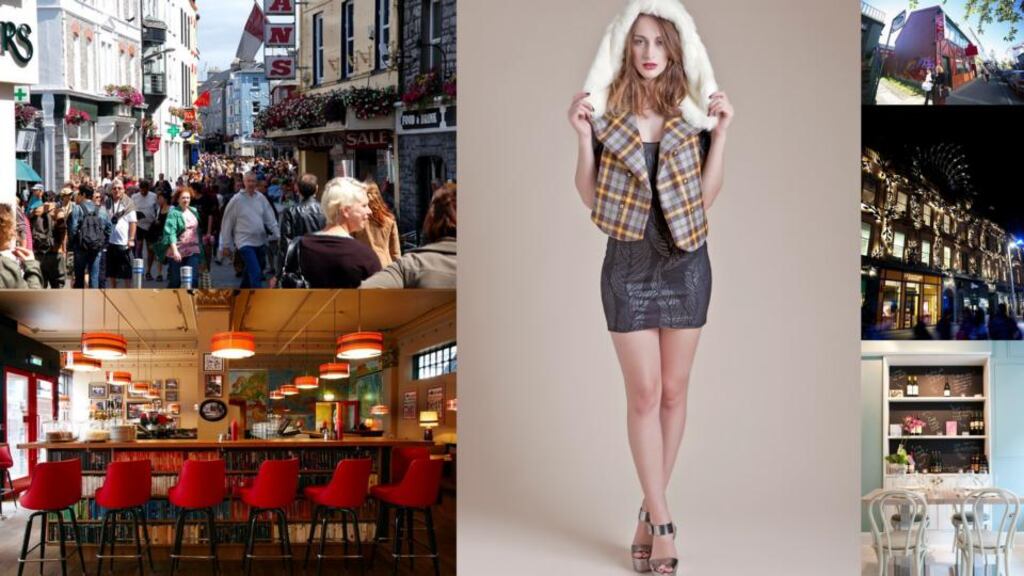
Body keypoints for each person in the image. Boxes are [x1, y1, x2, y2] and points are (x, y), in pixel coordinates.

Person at [566, 3, 733, 574]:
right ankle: (664, 522)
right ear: (624, 49)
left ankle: (646, 511)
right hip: (629, 265)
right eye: (638, 41)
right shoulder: (608, 117)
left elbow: (706, 198)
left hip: (686, 263)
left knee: (674, 392)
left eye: (659, 41)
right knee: (643, 393)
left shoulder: (693, 120)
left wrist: (724, 133)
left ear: (676, 49)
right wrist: (582, 138)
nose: (648, 52)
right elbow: (589, 197)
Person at [281, 177, 380, 288]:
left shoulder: (299, 246)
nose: (369, 211)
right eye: (364, 205)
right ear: (346, 211)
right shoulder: (364, 256)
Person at [362, 183, 455, 288]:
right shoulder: (389, 220)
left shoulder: (360, 222)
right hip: (385, 264)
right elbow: (395, 251)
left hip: (366, 267)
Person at [219, 171, 280, 288]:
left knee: (254, 269)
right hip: (244, 242)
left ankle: (242, 292)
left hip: (260, 240)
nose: (251, 184)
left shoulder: (261, 198)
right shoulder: (236, 200)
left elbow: (270, 218)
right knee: (256, 273)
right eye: (248, 181)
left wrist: (278, 235)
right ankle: (258, 300)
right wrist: (226, 244)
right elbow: (227, 222)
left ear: (256, 182)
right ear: (244, 182)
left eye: (253, 181)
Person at [277, 173, 326, 280]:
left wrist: (279, 273)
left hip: (299, 263)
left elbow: (285, 243)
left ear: (297, 189)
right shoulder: (325, 210)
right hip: (322, 261)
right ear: (316, 188)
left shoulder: (291, 211)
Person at [156, 187, 204, 289]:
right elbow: (170, 233)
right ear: (178, 199)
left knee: (193, 280)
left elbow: (197, 230)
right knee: (175, 281)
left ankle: (190, 302)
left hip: (193, 249)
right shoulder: (173, 213)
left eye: (188, 198)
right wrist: (175, 251)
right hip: (177, 250)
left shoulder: (194, 211)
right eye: (183, 198)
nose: (186, 200)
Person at [68, 185, 112, 288]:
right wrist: (103, 242)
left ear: (83, 194)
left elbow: (73, 229)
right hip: (96, 247)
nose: (78, 196)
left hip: (80, 247)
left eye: (79, 194)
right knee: (94, 276)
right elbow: (109, 228)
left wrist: (74, 244)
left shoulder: (77, 209)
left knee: (79, 277)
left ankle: (79, 301)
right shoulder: (101, 209)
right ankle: (93, 301)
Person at [353, 183, 401, 268]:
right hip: (386, 267)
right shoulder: (390, 221)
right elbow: (395, 253)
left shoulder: (357, 221)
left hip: (363, 267)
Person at [0, 203, 43, 288]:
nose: (13, 234)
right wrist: (31, 265)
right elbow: (32, 298)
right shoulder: (6, 267)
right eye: (11, 227)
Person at [105, 178, 138, 288]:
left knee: (126, 271)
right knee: (111, 271)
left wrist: (131, 239)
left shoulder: (128, 203)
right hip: (110, 242)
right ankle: (113, 291)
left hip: (123, 243)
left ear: (123, 190)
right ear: (111, 190)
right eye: (114, 188)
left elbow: (133, 222)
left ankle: (127, 292)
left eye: (119, 188)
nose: (117, 190)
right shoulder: (107, 202)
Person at [131, 179, 159, 278]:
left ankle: (148, 271)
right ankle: (140, 268)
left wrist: (157, 219)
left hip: (150, 225)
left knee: (150, 249)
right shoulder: (134, 197)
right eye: (141, 190)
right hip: (139, 225)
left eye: (145, 190)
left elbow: (158, 208)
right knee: (138, 247)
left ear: (148, 188)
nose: (143, 192)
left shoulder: (153, 196)